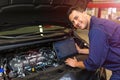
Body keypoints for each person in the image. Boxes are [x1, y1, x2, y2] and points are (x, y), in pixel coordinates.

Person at [65, 5, 120, 80]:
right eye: (73, 22)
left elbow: (94, 63)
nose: (76, 23)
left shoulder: (96, 30)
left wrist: (76, 64)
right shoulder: (98, 23)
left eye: (76, 18)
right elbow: (100, 49)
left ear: (84, 13)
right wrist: (80, 51)